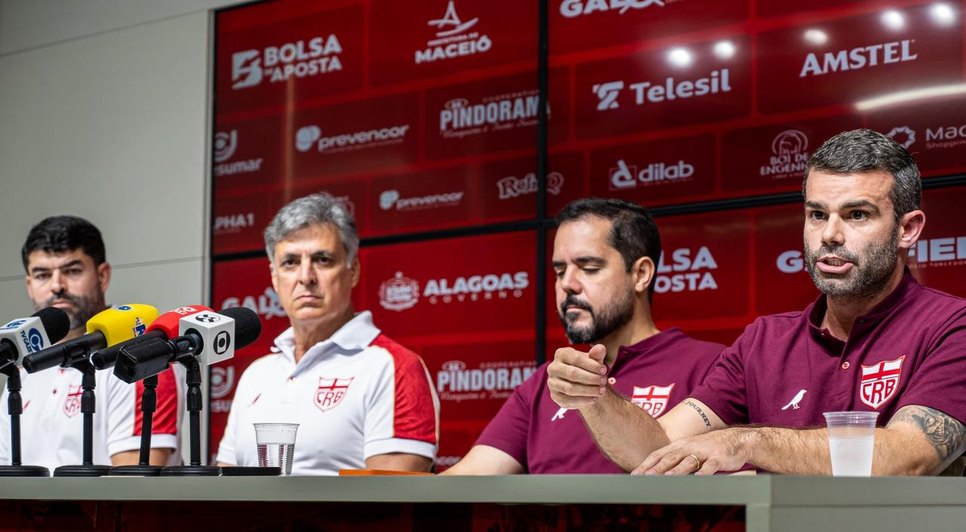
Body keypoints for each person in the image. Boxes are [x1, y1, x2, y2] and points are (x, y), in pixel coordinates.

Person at [547, 129, 966, 476]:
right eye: (817, 214)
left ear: (908, 229)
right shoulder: (765, 339)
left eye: (857, 214)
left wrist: (748, 439)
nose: (830, 235)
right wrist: (596, 397)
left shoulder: (952, 326)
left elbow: (907, 459)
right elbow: (657, 450)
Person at [443, 198, 724, 474]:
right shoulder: (546, 381)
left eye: (589, 268)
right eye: (559, 271)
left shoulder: (711, 367)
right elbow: (467, 478)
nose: (567, 284)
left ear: (640, 274)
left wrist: (594, 396)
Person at [215, 192, 439, 475]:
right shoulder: (256, 375)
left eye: (322, 260)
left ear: (353, 270)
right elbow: (224, 487)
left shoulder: (393, 366)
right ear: (274, 277)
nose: (306, 277)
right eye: (290, 263)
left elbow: (392, 503)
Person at [0, 215, 183, 471]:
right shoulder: (21, 372)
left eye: (72, 271)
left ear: (102, 275)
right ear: (29, 286)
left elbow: (134, 489)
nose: (57, 286)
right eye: (42, 275)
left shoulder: (141, 355)